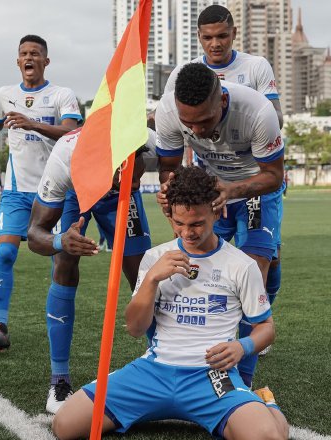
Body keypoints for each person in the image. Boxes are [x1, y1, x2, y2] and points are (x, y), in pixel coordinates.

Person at [51, 165, 289, 440]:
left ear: (216, 211)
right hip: (153, 373)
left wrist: (242, 346)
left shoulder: (241, 264)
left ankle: (266, 401)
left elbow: (266, 327)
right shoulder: (155, 258)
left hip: (212, 377)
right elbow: (135, 328)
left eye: (197, 223)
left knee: (268, 437)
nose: (187, 232)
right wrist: (152, 279)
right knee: (65, 426)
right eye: (179, 223)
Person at [156, 62, 283, 387]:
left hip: (253, 187)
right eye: (190, 123)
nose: (196, 131)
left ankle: (243, 382)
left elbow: (273, 176)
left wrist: (233, 189)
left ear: (222, 102)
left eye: (205, 121)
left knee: (255, 271)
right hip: (209, 193)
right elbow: (168, 168)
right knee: (201, 269)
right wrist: (172, 200)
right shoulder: (168, 111)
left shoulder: (257, 111)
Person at [0, 35, 83, 349]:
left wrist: (34, 124)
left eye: (35, 53)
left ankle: (56, 328)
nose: (29, 58)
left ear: (46, 61)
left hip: (55, 191)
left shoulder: (62, 94)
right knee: (5, 252)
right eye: (23, 53)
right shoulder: (6, 95)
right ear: (18, 61)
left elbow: (73, 131)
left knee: (59, 262)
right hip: (17, 191)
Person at [27, 128, 154, 413]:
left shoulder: (145, 138)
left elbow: (172, 165)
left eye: (138, 177)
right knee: (64, 262)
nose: (135, 182)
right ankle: (59, 380)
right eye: (127, 177)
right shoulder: (65, 159)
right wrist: (61, 240)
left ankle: (164, 361)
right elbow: (34, 235)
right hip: (77, 193)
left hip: (119, 201)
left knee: (143, 273)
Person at [163, 4, 283, 128]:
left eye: (222, 36)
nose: (215, 44)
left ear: (234, 33)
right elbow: (164, 116)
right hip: (201, 147)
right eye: (208, 38)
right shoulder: (182, 73)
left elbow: (277, 120)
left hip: (250, 146)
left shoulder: (257, 66)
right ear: (199, 36)